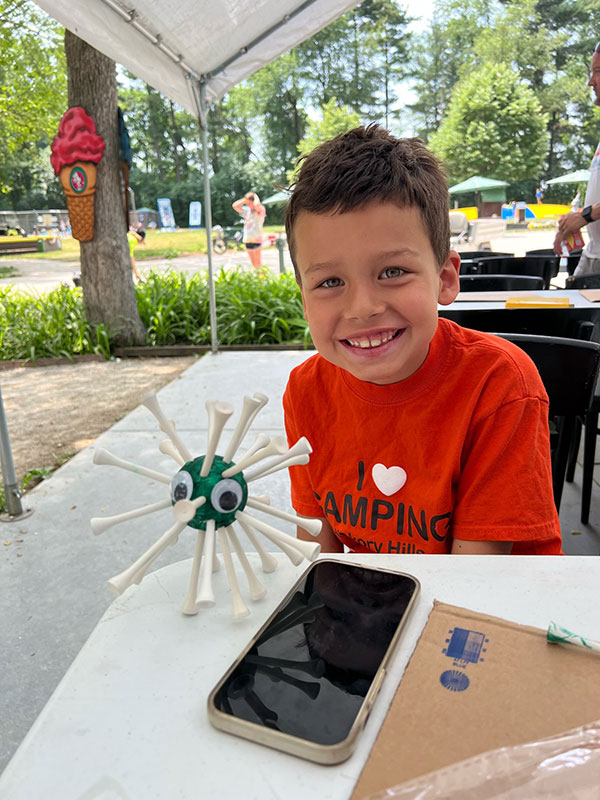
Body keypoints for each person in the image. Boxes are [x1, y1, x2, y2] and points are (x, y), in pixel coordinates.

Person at [283, 124, 561, 556]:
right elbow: (319, 553)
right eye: (330, 281)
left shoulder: (499, 383)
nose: (362, 307)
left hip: (491, 592)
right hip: (386, 594)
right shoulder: (306, 391)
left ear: (445, 278)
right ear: (304, 300)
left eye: (392, 272)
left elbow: (475, 577)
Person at [554, 42, 600, 275]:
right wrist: (573, 221)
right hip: (593, 254)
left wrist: (585, 215)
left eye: (598, 71)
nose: (590, 82)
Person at [232, 192, 267, 268]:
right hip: (248, 239)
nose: (248, 205)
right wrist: (245, 200)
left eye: (249, 203)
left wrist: (255, 195)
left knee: (258, 263)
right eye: (247, 204)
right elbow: (235, 206)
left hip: (257, 239)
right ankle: (257, 275)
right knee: (254, 264)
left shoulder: (261, 209)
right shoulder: (247, 211)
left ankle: (262, 275)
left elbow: (257, 205)